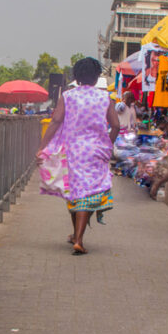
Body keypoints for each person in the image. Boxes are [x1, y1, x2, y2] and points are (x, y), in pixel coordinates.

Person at [37, 57, 119, 255]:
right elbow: (116, 125)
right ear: (97, 76)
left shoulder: (68, 96)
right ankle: (78, 238)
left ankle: (77, 237)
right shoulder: (105, 97)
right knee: (88, 193)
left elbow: (56, 121)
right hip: (96, 151)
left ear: (77, 76)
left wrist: (42, 147)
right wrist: (107, 144)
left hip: (72, 150)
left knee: (75, 192)